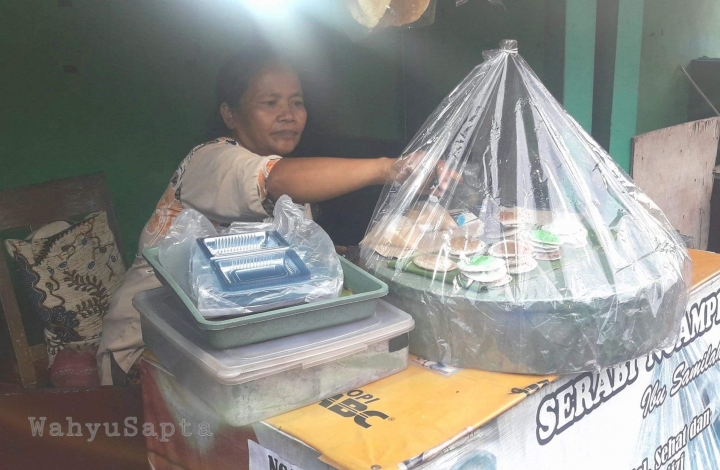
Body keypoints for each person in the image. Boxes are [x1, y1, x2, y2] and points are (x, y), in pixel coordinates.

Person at [96, 48, 455, 385]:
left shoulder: (295, 185)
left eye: (297, 102)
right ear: (230, 114)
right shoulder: (212, 160)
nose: (289, 114)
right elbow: (271, 181)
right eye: (270, 103)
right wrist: (390, 169)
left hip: (231, 343)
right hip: (149, 344)